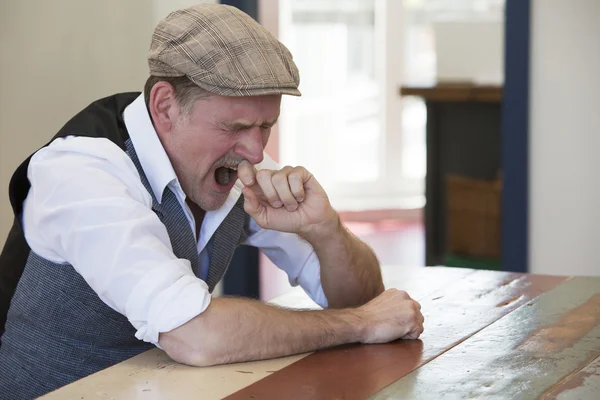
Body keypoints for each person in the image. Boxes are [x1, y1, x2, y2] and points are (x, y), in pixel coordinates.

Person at [0, 4, 424, 399]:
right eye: (235, 126)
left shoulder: (232, 164)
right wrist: (360, 324)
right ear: (165, 106)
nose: (256, 152)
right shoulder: (83, 171)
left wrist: (326, 231)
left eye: (266, 126)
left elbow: (361, 301)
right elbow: (195, 335)